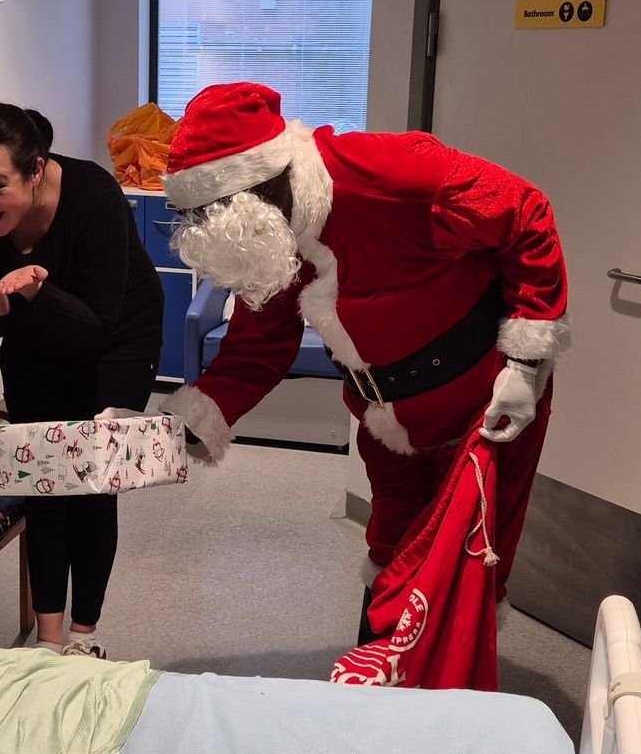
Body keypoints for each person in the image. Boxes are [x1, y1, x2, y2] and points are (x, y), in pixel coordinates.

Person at [159, 82, 568, 684]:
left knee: (472, 551)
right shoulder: (270, 237)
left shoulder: (392, 174)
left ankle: (452, 692)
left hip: (485, 405)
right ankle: (379, 676)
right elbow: (258, 345)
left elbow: (525, 211)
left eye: (209, 216)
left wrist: (526, 365)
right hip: (383, 414)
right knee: (390, 542)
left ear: (257, 187)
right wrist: (177, 431)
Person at [0, 103, 162, 658]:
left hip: (118, 339)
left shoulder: (94, 197)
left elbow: (97, 327)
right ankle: (47, 640)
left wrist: (33, 288)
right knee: (42, 479)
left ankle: (84, 639)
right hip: (34, 336)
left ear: (35, 170)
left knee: (91, 485)